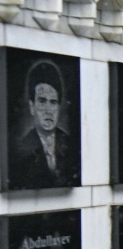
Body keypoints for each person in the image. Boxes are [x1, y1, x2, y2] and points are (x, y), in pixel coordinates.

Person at [13, 60, 78, 188]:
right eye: (42, 101)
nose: (48, 110)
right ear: (32, 106)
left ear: (59, 107)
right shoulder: (21, 150)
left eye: (53, 102)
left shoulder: (71, 144)